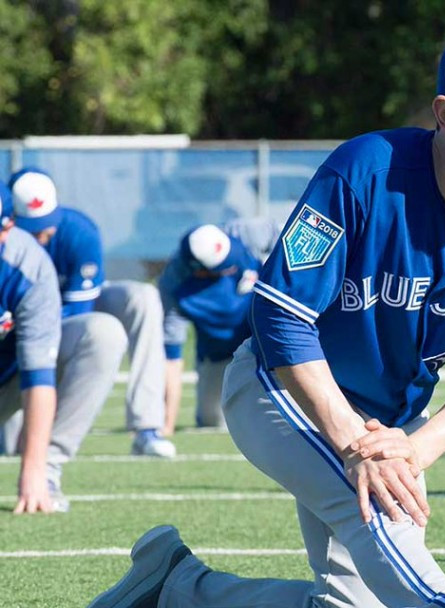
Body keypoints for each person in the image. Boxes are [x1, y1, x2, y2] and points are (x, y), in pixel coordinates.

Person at [71, 26, 445, 608]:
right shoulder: (365, 171)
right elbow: (281, 316)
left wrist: (415, 449)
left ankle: (174, 590)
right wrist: (352, 440)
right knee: (379, 509)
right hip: (283, 389)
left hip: (391, 422)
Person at [7, 168, 174, 458]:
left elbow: (78, 311)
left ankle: (147, 428)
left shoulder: (78, 231)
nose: (43, 235)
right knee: (10, 446)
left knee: (142, 298)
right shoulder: (7, 248)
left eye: (47, 225)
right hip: (15, 333)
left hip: (69, 312)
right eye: (32, 229)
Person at [0, 183, 127, 514]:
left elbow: (39, 375)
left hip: (7, 380)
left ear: (8, 227)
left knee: (102, 333)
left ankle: (49, 469)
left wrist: (33, 469)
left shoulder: (28, 266)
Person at [159, 224, 261, 432]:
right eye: (224, 265)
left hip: (267, 341)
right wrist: (166, 425)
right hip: (218, 353)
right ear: (200, 271)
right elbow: (172, 360)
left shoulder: (245, 233)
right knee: (212, 421)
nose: (232, 266)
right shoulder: (175, 290)